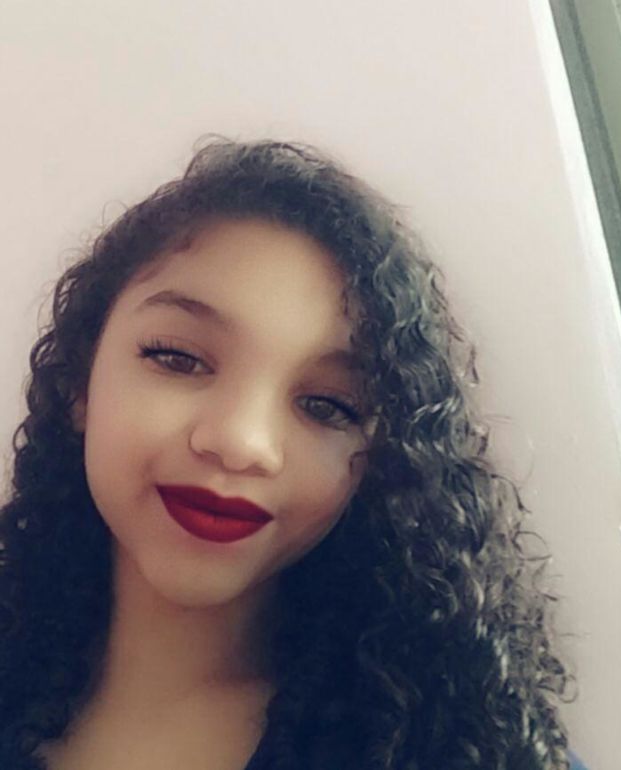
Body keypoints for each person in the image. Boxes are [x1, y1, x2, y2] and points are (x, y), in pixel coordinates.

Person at [0, 137, 583, 769]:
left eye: (328, 405)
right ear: (78, 383)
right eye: (179, 358)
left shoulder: (461, 751)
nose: (242, 443)